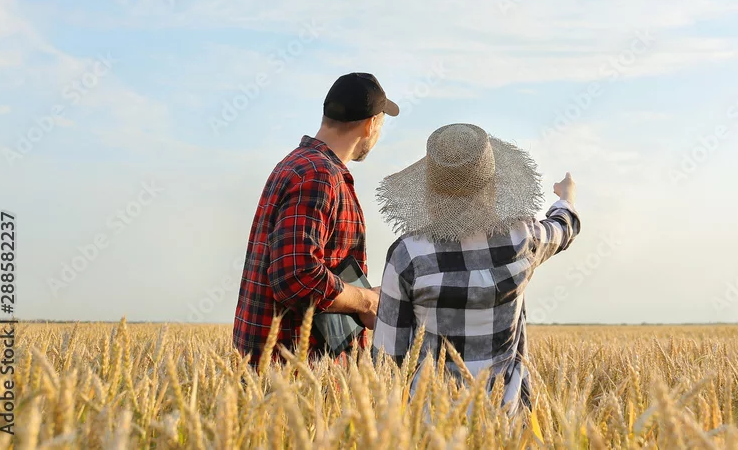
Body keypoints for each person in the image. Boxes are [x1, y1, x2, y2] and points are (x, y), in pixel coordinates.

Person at [372, 122, 581, 412]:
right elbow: (563, 228)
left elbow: (387, 358)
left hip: (430, 422)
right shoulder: (523, 237)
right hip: (505, 419)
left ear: (429, 192)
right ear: (493, 188)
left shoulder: (408, 253)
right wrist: (566, 197)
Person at [233, 72, 398, 367]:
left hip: (281, 367)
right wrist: (367, 301)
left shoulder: (298, 165)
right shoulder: (319, 175)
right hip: (296, 370)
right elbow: (297, 277)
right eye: (381, 125)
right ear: (370, 124)